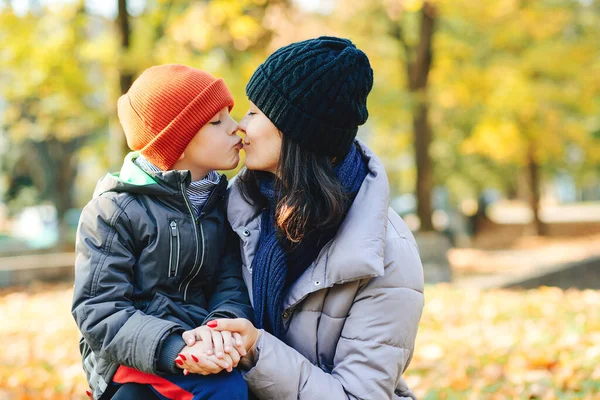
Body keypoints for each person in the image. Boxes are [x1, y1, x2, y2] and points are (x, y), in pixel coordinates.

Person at [183, 37, 425, 399]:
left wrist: (256, 351)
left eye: (253, 112)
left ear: (296, 131)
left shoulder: (386, 254)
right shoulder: (236, 208)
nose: (239, 127)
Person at [72, 64, 253, 400]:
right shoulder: (114, 211)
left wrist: (219, 333)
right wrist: (175, 347)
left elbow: (231, 284)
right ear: (178, 144)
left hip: (203, 345)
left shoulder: (223, 203)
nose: (237, 127)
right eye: (217, 122)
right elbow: (99, 310)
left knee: (241, 383)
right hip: (133, 355)